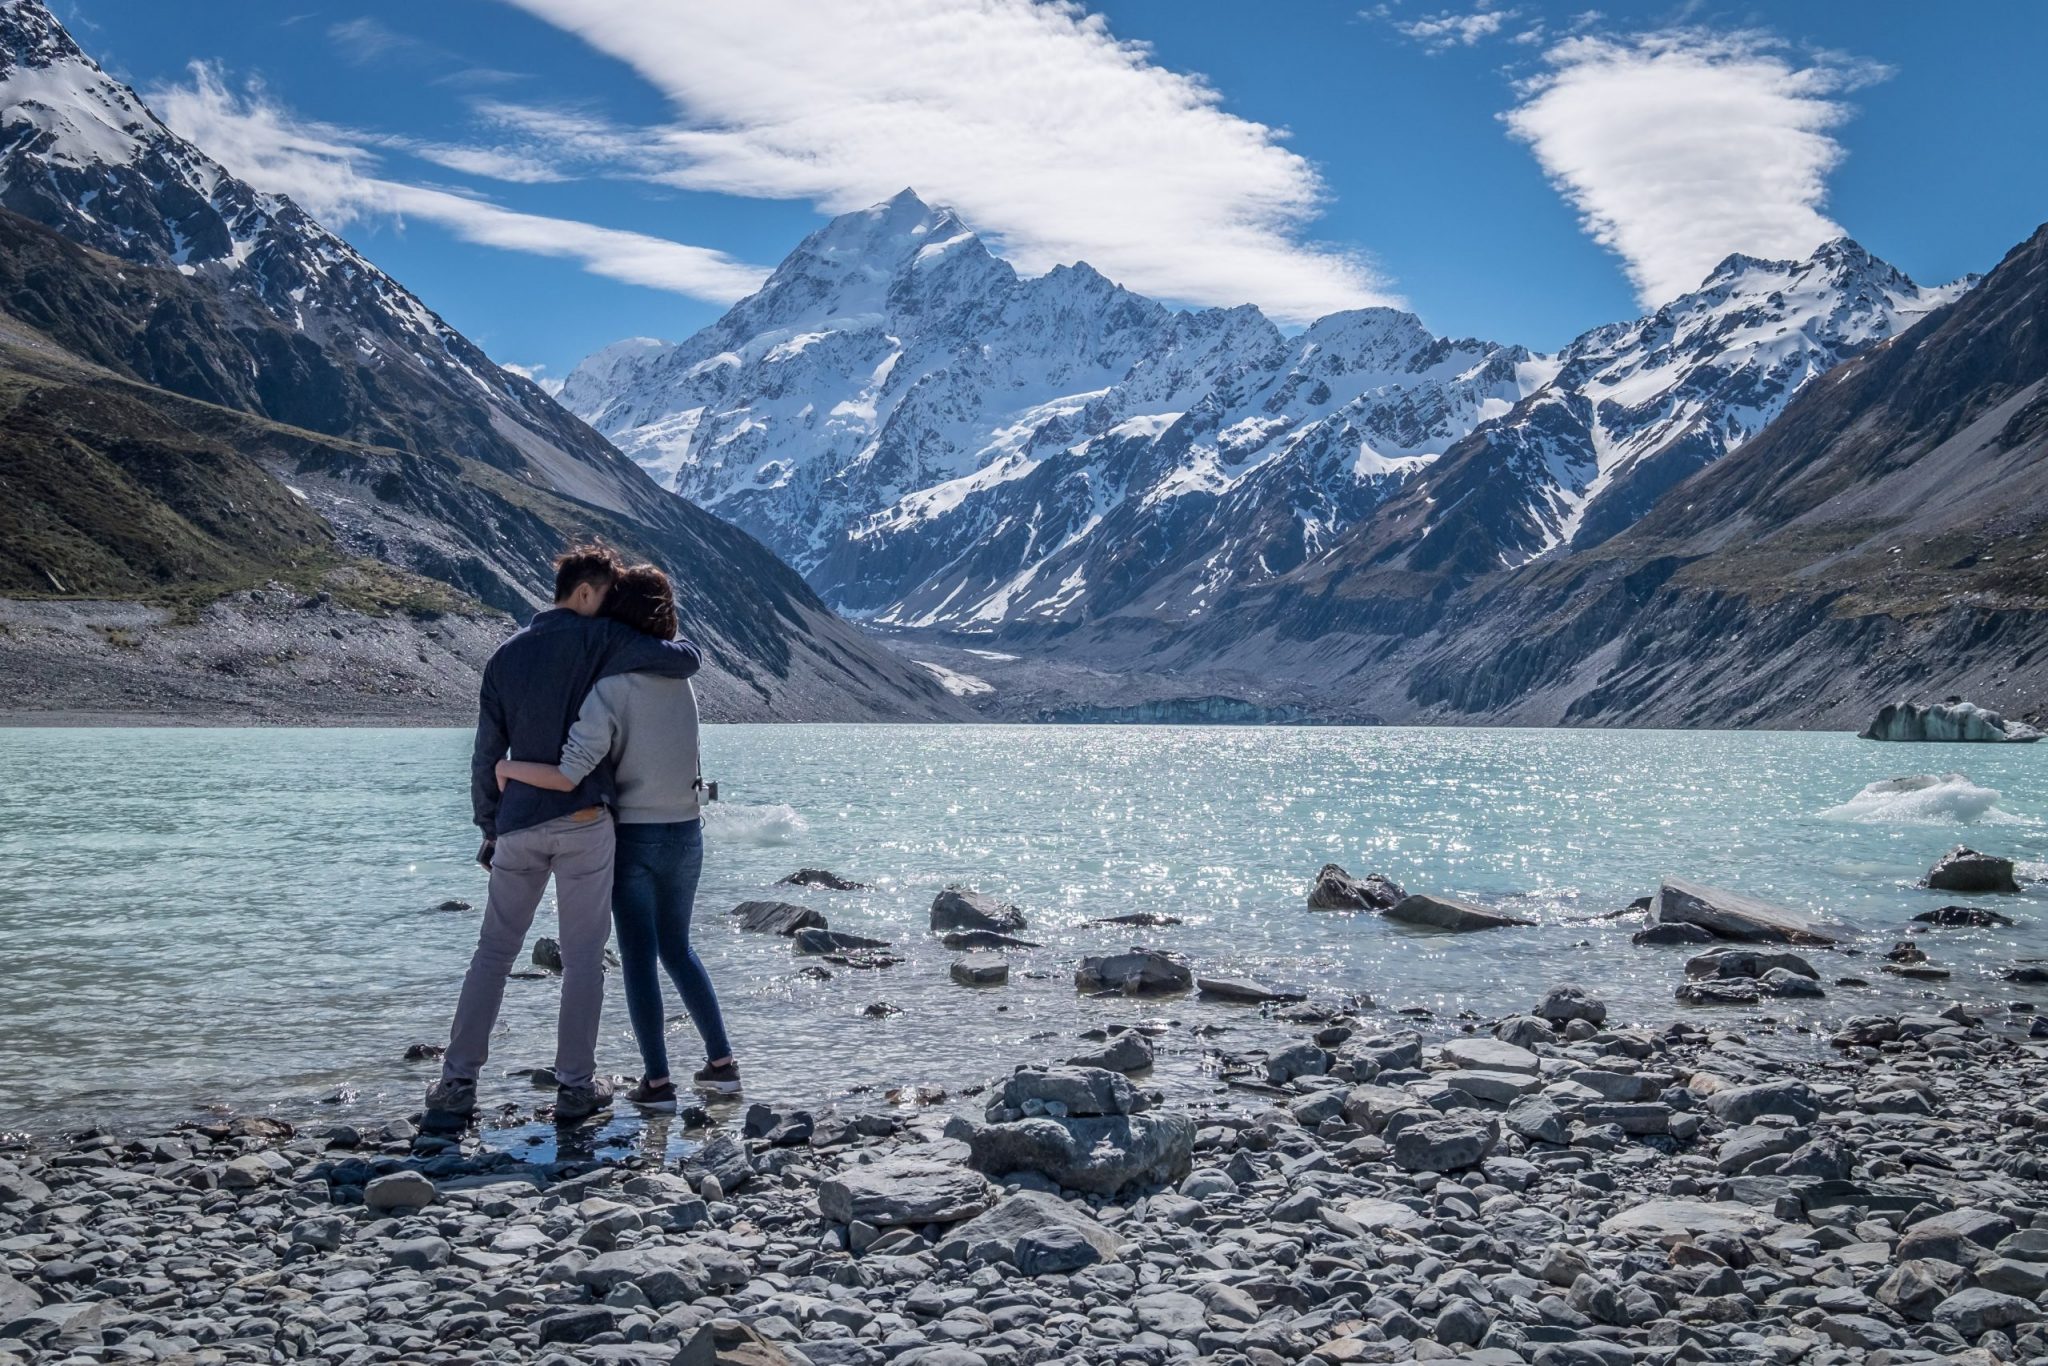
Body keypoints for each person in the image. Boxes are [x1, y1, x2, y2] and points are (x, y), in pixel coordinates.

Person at [426, 544, 702, 1129]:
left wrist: (488, 829)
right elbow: (683, 660)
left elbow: (486, 755)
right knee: (582, 961)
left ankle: (456, 1085)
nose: (611, 609)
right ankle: (575, 1090)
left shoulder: (503, 657)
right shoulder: (599, 638)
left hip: (518, 824)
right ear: (584, 593)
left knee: (493, 953)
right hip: (583, 824)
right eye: (606, 596)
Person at [496, 564, 740, 1108]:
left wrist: (510, 771)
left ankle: (656, 1082)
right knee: (678, 948)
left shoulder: (611, 687)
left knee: (637, 958)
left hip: (633, 837)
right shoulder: (679, 679)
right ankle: (722, 1065)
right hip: (686, 832)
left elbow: (568, 773)